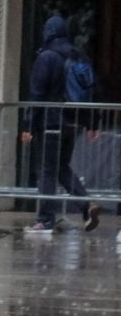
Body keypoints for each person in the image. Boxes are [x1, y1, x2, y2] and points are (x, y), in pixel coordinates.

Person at [21, 14, 101, 234]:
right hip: (73, 123)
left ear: (47, 32)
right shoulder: (79, 56)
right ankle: (86, 206)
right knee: (61, 167)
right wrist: (91, 124)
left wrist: (28, 125)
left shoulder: (47, 57)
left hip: (51, 122)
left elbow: (36, 94)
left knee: (46, 170)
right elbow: (91, 91)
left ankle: (45, 220)